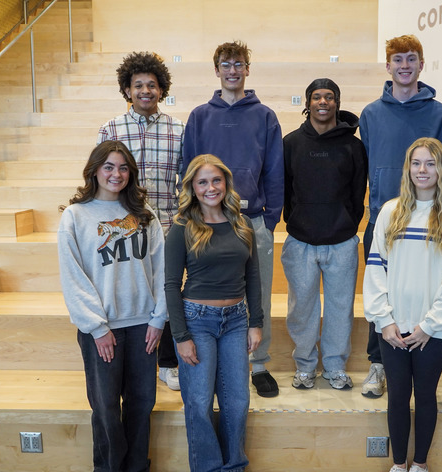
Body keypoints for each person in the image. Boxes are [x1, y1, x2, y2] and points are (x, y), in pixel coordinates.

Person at [57, 140, 166, 472]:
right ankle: (109, 471)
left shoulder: (143, 213)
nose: (116, 174)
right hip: (102, 328)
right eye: (109, 167)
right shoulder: (75, 216)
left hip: (143, 325)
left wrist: (158, 318)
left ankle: (137, 468)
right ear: (94, 170)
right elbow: (73, 276)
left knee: (142, 399)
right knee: (105, 403)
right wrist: (97, 326)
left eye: (123, 168)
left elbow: (162, 270)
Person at [364, 138, 442, 472]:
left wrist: (430, 325)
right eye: (416, 163)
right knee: (397, 395)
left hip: (433, 330)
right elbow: (375, 268)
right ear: (407, 169)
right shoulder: (391, 211)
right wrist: (385, 320)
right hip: (392, 326)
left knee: (424, 395)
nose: (422, 170)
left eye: (431, 163)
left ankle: (420, 465)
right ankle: (397, 465)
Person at [180, 40, 283, 398]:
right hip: (206, 223)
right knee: (208, 292)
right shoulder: (199, 116)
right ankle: (217, 358)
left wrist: (269, 221)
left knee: (259, 294)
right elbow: (188, 169)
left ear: (247, 69)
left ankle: (259, 363)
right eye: (226, 64)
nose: (233, 70)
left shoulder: (265, 116)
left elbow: (274, 171)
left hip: (251, 221)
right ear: (217, 70)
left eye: (239, 63)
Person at [164, 154, 263, 472]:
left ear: (226, 184)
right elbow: (171, 284)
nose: (210, 188)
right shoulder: (181, 226)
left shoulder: (241, 222)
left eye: (216, 181)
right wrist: (181, 336)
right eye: (203, 182)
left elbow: (252, 276)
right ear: (192, 186)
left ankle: (233, 466)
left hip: (236, 320)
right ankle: (207, 470)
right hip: (196, 320)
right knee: (200, 400)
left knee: (237, 399)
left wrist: (256, 322)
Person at [359, 34, 442, 399]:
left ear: (421, 64)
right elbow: (366, 167)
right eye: (397, 59)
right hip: (384, 219)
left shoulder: (440, 113)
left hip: (430, 220)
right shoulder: (371, 113)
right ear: (388, 66)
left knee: (424, 291)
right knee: (379, 293)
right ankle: (378, 364)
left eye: (411, 58)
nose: (404, 65)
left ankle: (423, 358)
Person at [97, 51, 184, 392]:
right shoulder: (112, 129)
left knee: (167, 292)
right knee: (135, 293)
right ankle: (130, 361)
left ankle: (166, 363)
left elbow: (185, 179)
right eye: (138, 85)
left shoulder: (178, 129)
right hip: (123, 231)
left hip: (166, 226)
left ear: (161, 89)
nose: (145, 91)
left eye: (152, 85)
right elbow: (102, 177)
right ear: (127, 90)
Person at [281, 78, 367, 390]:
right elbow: (286, 190)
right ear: (307, 103)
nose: (322, 102)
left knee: (340, 309)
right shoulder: (291, 143)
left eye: (329, 97)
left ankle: (334, 366)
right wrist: (298, 220)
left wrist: (347, 223)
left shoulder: (353, 146)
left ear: (337, 103)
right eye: (316, 97)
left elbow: (358, 194)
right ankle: (304, 365)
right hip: (301, 240)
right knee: (301, 308)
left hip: (341, 242)